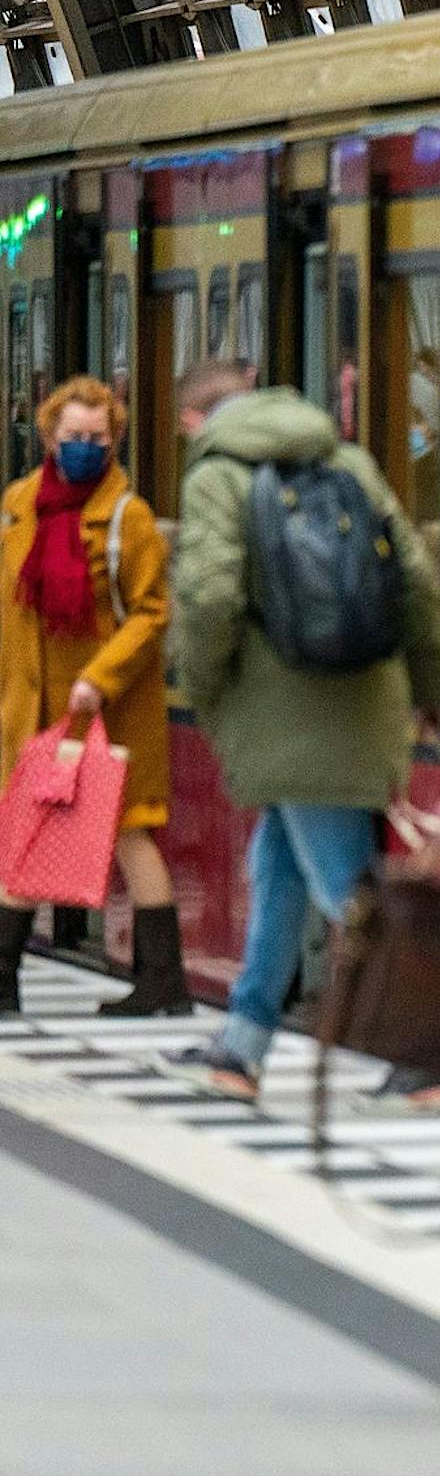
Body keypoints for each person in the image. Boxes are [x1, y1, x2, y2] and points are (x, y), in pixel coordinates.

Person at [164, 361, 440, 1102]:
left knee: (344, 889)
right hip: (365, 698)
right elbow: (416, 576)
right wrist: (431, 687)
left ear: (196, 421)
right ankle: (243, 1044)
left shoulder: (214, 478)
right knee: (280, 871)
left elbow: (208, 595)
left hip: (280, 709)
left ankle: (426, 1053)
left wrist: (200, 684)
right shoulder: (347, 459)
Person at [0, 376, 187, 1018]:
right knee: (24, 830)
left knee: (131, 833)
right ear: (49, 436)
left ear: (115, 441)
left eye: (97, 438)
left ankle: (164, 983)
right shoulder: (18, 506)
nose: (84, 447)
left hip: (109, 706)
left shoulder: (128, 517)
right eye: (73, 436)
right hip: (33, 706)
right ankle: (4, 978)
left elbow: (151, 612)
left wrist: (99, 679)